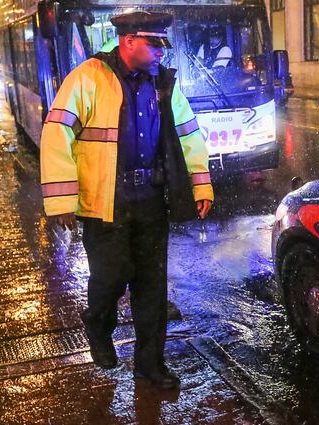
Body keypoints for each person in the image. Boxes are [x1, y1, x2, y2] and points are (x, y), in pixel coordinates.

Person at [40, 11, 214, 390]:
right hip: (105, 204)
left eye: (162, 46)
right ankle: (97, 323)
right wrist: (61, 200)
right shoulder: (88, 77)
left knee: (152, 286)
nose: (160, 53)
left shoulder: (163, 84)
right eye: (153, 44)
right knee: (111, 277)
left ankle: (150, 366)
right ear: (128, 40)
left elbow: (189, 135)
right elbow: (56, 136)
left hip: (150, 201)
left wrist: (201, 185)